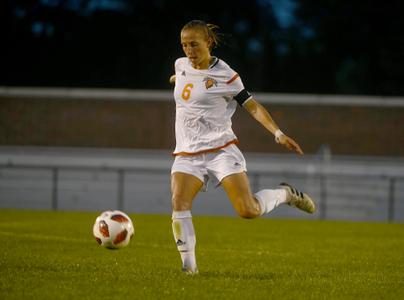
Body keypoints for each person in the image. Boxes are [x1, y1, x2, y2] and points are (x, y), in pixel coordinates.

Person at [169, 20, 315, 275]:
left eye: (194, 44)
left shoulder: (226, 75)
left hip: (220, 150)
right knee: (179, 203)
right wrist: (177, 80)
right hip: (186, 152)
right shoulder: (181, 65)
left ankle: (284, 194)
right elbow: (184, 81)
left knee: (248, 211)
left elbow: (253, 106)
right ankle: (188, 270)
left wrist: (278, 133)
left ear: (209, 43)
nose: (188, 51)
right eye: (184, 45)